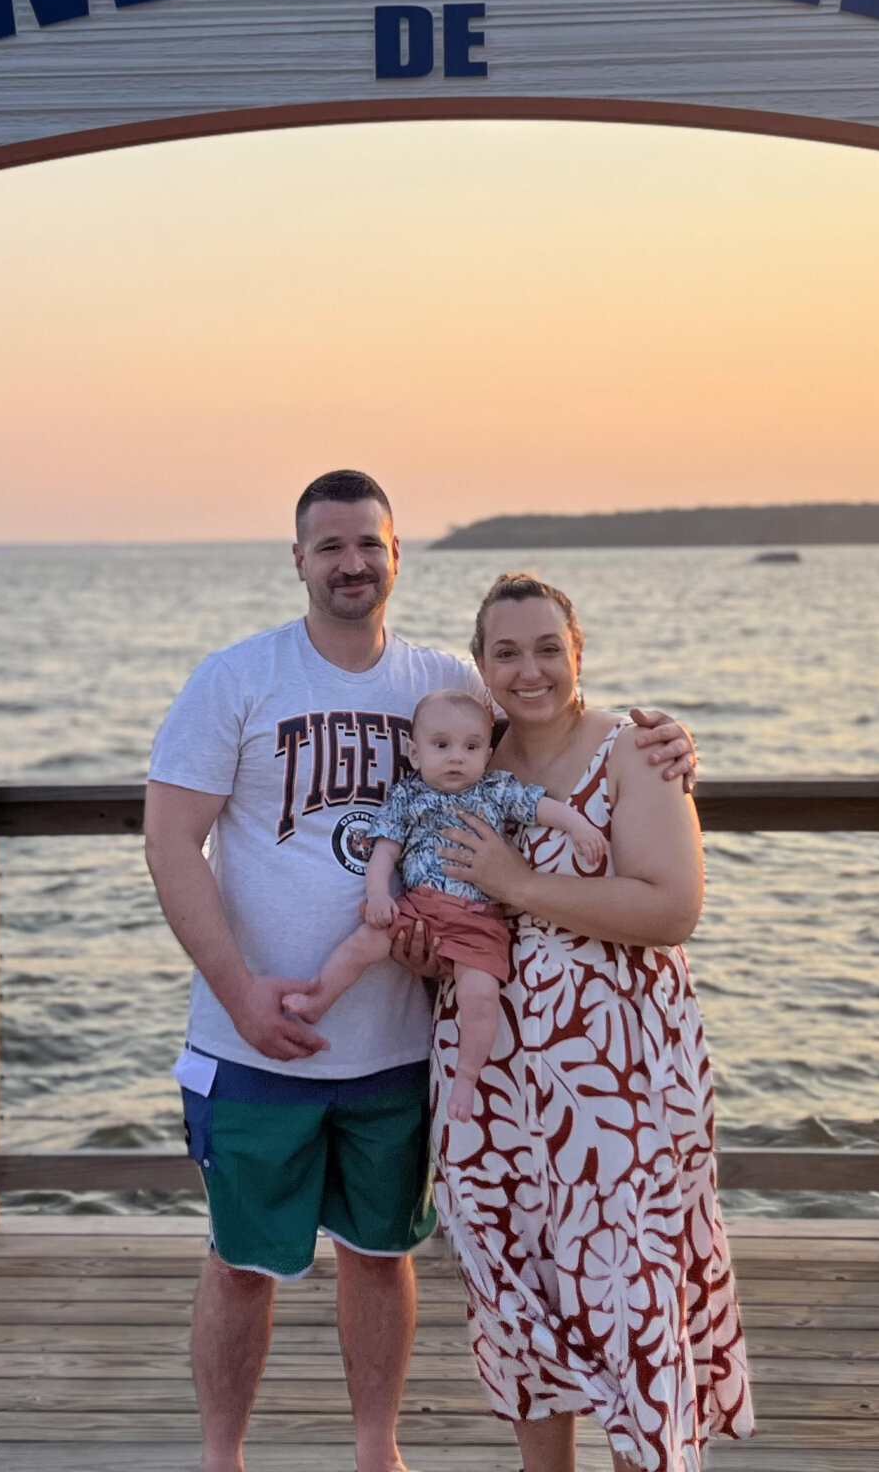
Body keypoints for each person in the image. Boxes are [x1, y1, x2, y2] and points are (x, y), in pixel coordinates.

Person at [144, 471, 696, 1472]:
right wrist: (237, 991)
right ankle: (219, 1458)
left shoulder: (441, 681)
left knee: (381, 1253)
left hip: (398, 1041)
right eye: (329, 546)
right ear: (299, 559)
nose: (351, 563)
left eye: (369, 544)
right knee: (239, 1261)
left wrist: (663, 740)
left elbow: (551, 719)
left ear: (397, 555)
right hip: (256, 1034)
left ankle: (375, 1451)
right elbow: (171, 843)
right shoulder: (236, 678)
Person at [424, 571, 753, 1472]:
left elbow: (673, 908)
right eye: (505, 652)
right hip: (489, 1074)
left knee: (625, 1289)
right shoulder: (467, 755)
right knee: (517, 1285)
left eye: (545, 649)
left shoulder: (635, 751)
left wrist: (519, 885)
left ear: (578, 654)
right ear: (481, 663)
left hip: (615, 1076)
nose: (527, 670)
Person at [281, 686, 606, 1124]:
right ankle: (319, 998)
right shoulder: (408, 796)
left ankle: (467, 1078)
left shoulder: (496, 790)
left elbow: (540, 807)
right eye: (441, 746)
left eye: (471, 747)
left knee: (480, 994)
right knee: (366, 942)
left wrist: (578, 826)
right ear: (414, 753)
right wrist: (378, 894)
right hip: (420, 907)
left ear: (487, 753)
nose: (457, 757)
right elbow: (385, 852)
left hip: (479, 920)